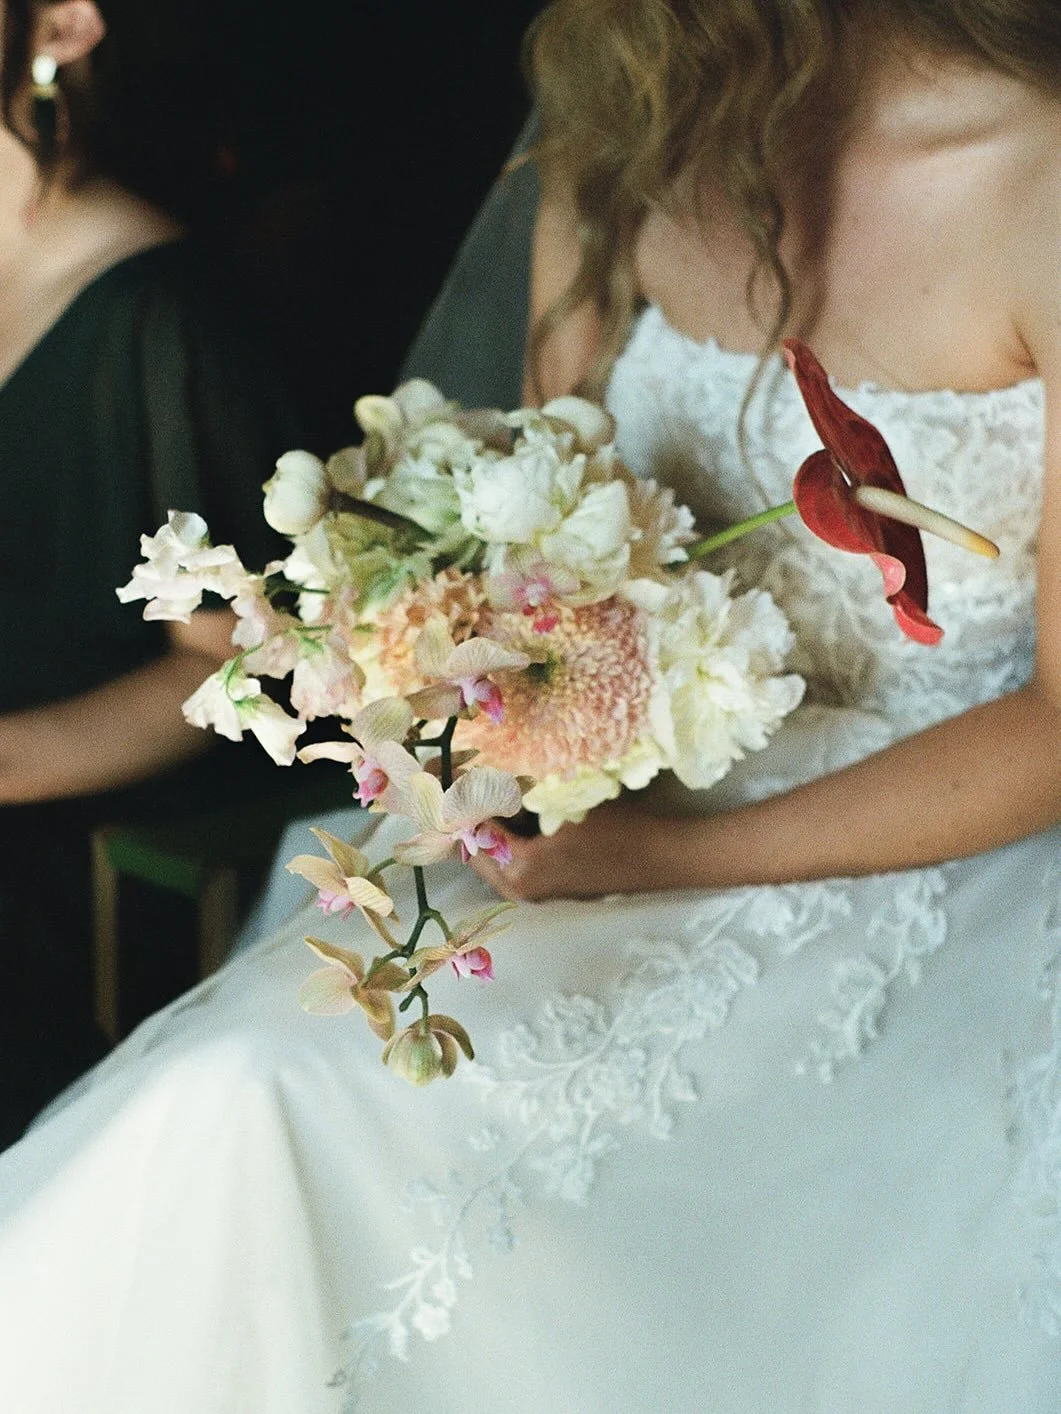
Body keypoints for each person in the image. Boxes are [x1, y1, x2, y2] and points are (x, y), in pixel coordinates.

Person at [0, 0, 1058, 1409]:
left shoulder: (1041, 178)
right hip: (589, 796)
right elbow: (537, 532)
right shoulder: (622, 125)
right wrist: (454, 686)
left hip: (928, 862)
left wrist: (663, 857)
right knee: (239, 1092)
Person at [0, 0, 303, 1142]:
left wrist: (8, 759)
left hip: (70, 862)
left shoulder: (162, 313)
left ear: (64, 25)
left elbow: (238, 664)